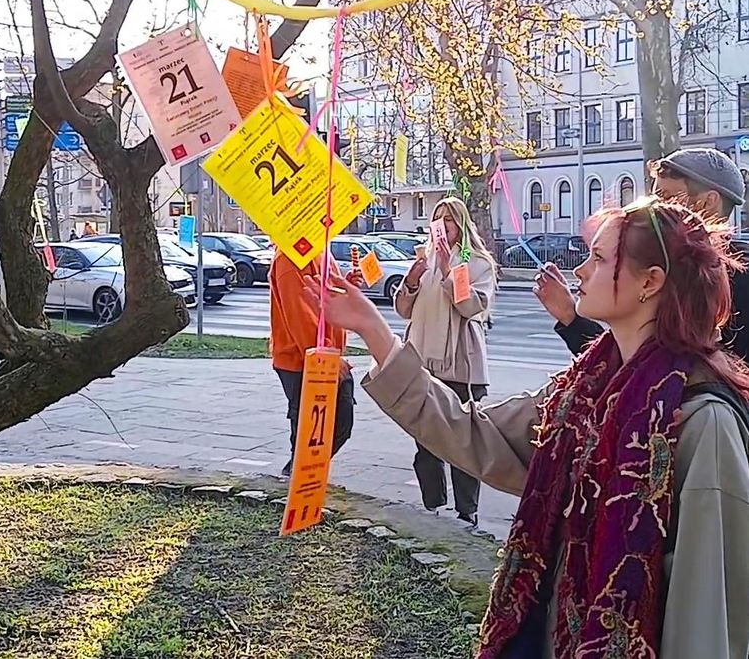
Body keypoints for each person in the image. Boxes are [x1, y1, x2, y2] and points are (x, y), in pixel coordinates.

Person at [303, 197, 749, 658]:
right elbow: (475, 434)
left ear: (649, 282)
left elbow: (708, 622)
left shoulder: (701, 418)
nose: (580, 272)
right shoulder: (583, 390)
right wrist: (374, 330)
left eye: (597, 259)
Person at [536, 147, 749, 360]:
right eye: (654, 199)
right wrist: (570, 317)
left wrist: (572, 318)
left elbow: (653, 368)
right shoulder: (667, 263)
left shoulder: (736, 277)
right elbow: (633, 362)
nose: (655, 208)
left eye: (666, 198)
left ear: (708, 201)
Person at [395, 196, 497, 526]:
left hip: (460, 366)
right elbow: (403, 310)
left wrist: (450, 271)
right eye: (437, 219)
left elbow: (471, 306)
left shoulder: (477, 263)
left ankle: (467, 512)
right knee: (425, 442)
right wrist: (411, 280)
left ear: (462, 225)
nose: (441, 226)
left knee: (462, 444)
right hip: (422, 363)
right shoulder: (424, 261)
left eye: (448, 220)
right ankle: (432, 507)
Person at [269, 249, 355, 477]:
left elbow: (323, 295)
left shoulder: (320, 248)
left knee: (338, 426)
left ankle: (304, 478)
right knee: (313, 433)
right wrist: (328, 357)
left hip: (325, 355)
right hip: (302, 361)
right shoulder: (290, 257)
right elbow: (299, 315)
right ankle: (298, 482)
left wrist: (346, 287)